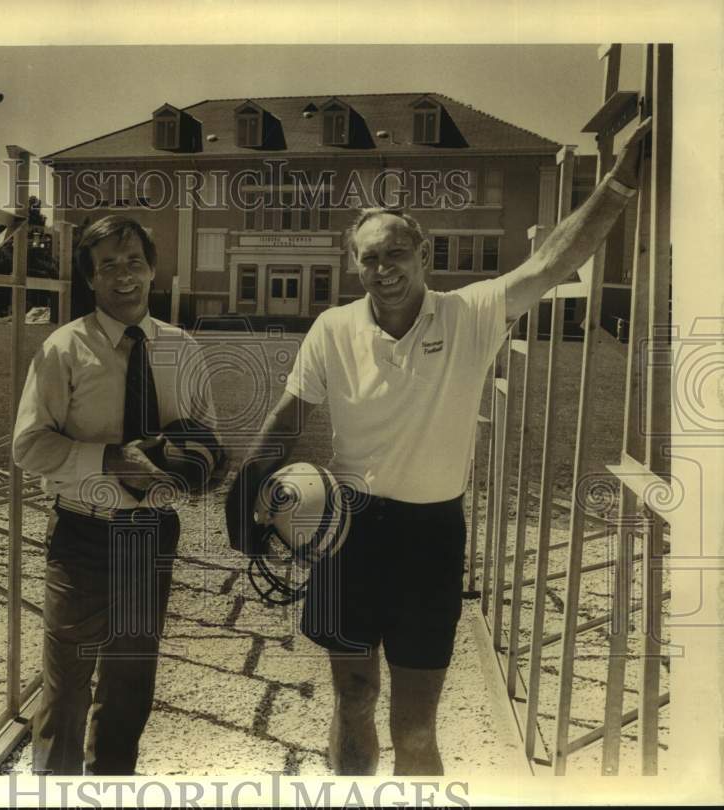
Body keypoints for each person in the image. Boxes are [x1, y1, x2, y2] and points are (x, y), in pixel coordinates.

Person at [226, 122, 649, 775]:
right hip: (349, 531)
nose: (383, 268)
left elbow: (552, 262)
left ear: (423, 253)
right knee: (353, 698)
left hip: (431, 536)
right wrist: (249, 480)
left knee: (416, 727)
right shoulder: (333, 328)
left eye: (395, 252)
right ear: (354, 264)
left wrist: (618, 183)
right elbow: (289, 416)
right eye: (369, 257)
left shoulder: (470, 314)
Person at [13, 214, 216, 775]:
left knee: (129, 684)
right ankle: (54, 786)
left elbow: (208, 443)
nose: (122, 276)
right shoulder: (64, 348)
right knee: (66, 686)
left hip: (150, 536)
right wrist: (109, 459)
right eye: (107, 266)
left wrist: (194, 466)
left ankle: (111, 786)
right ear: (91, 279)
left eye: (133, 262)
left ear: (153, 269)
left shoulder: (182, 349)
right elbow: (28, 446)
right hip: (82, 532)